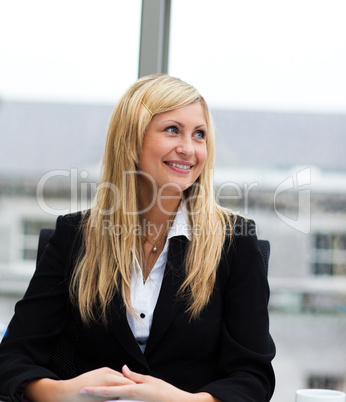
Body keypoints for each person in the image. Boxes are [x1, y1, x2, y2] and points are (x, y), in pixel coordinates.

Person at [0, 74, 275, 402]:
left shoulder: (234, 242)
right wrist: (62, 392)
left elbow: (253, 378)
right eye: (172, 129)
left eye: (199, 135)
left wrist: (180, 400)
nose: (188, 149)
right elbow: (10, 360)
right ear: (131, 139)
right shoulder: (75, 236)